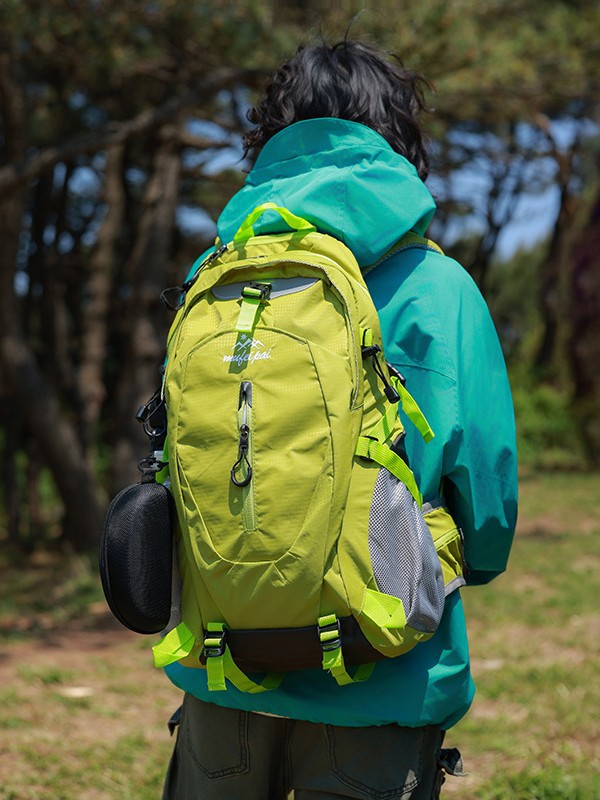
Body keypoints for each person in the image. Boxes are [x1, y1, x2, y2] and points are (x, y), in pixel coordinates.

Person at [161, 39, 518, 799]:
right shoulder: (438, 288)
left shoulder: (214, 276)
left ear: (270, 137)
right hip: (382, 668)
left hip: (224, 668)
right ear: (396, 136)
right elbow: (487, 515)